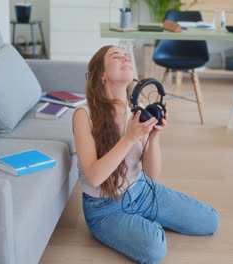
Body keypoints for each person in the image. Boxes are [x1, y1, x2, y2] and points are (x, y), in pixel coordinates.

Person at [72, 45, 219, 264]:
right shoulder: (84, 114)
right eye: (116, 56)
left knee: (210, 221)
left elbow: (152, 173)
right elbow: (94, 177)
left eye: (126, 56)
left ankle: (142, 219)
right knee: (154, 249)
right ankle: (141, 223)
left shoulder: (138, 109)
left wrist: (155, 136)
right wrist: (129, 137)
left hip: (141, 190)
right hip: (104, 208)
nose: (125, 58)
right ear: (102, 74)